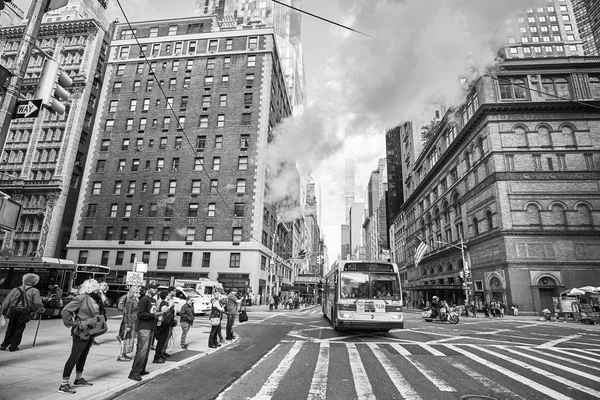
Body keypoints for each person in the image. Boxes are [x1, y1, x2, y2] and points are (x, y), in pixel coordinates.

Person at [58, 279, 105, 394]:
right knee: (75, 356)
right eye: (96, 285)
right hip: (81, 331)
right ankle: (64, 384)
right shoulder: (81, 298)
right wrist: (72, 323)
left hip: (90, 330)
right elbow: (65, 310)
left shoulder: (94, 298)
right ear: (90, 287)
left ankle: (78, 379)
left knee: (83, 355)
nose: (98, 287)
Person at [1, 273, 44, 352]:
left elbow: (6, 301)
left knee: (11, 327)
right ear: (34, 282)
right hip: (24, 311)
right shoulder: (34, 290)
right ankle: (13, 346)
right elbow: (37, 302)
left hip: (13, 310)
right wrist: (41, 308)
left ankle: (4, 345)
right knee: (19, 328)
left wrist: (2, 311)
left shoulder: (15, 289)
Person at [129, 282, 161, 382]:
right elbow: (140, 314)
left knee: (146, 350)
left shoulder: (152, 300)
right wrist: (154, 315)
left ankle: (141, 369)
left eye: (157, 289)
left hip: (150, 327)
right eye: (154, 288)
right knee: (142, 350)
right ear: (150, 289)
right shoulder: (144, 299)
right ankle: (134, 372)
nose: (156, 290)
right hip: (144, 328)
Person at [117, 285, 140, 362]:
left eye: (138, 292)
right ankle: (121, 355)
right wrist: (129, 324)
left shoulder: (134, 300)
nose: (138, 293)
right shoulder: (130, 301)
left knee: (128, 339)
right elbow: (128, 313)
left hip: (132, 321)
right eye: (136, 292)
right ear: (132, 293)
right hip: (129, 322)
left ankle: (123, 354)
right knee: (125, 339)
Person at [153, 290, 171, 364]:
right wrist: (170, 305)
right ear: (166, 295)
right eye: (168, 294)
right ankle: (157, 357)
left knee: (163, 341)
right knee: (161, 341)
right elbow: (164, 310)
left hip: (165, 324)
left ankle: (160, 354)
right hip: (162, 325)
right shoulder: (164, 303)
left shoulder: (164, 302)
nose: (170, 295)